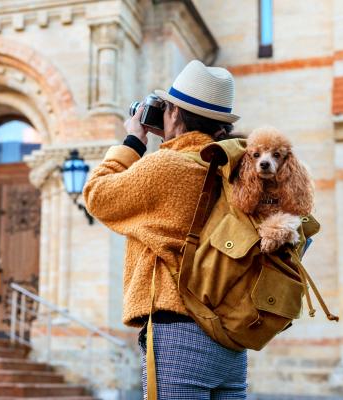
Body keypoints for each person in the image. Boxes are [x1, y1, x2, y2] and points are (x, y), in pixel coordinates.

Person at [83, 60, 248, 400]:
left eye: (169, 109)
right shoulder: (235, 167)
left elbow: (97, 195)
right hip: (230, 339)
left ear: (174, 114)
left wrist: (134, 138)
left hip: (179, 334)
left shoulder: (167, 165)